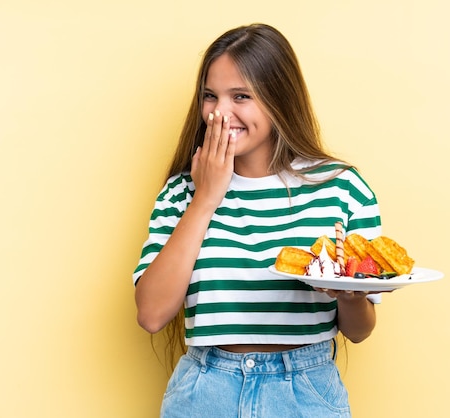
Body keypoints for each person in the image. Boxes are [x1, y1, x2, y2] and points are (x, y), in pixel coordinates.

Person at [133, 23, 384, 418]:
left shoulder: (341, 188)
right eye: (211, 96)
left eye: (241, 97)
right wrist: (206, 198)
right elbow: (151, 314)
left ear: (278, 100)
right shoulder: (183, 192)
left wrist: (352, 297)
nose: (220, 113)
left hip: (305, 392)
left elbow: (359, 330)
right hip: (204, 393)